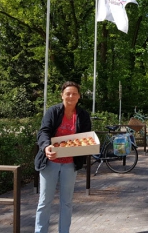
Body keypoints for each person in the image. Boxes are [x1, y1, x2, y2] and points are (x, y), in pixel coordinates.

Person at [34, 81, 91, 233]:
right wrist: (46, 146)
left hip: (70, 163)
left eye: (74, 93)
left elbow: (86, 137)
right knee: (45, 201)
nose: (71, 96)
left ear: (79, 96)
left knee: (66, 202)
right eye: (68, 93)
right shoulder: (53, 112)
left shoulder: (83, 115)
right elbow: (43, 131)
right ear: (62, 95)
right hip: (50, 161)